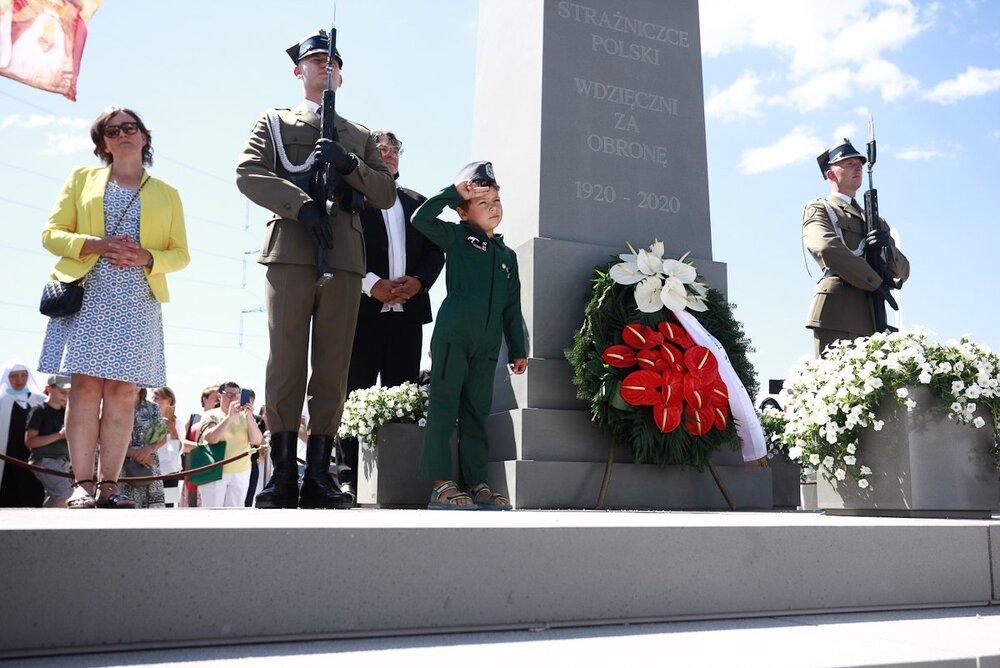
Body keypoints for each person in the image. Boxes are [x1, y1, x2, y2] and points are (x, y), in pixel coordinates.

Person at [235, 29, 396, 509]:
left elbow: (385, 193)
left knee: (332, 366)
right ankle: (284, 473)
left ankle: (320, 474)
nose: (326, 66)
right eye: (317, 59)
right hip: (290, 248)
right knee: (286, 361)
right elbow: (248, 172)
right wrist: (301, 206)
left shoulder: (360, 135)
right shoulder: (274, 121)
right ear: (298, 70)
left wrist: (349, 164)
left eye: (333, 62)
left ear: (341, 77)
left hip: (343, 256)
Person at [37, 106, 189, 508]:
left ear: (144, 136)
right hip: (88, 292)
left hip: (138, 299)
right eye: (112, 130)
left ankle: (110, 487)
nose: (122, 134)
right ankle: (83, 485)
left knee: (123, 391)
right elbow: (51, 234)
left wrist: (146, 257)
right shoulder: (81, 179)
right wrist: (96, 244)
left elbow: (181, 255)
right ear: (102, 142)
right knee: (85, 387)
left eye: (130, 127)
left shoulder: (167, 193)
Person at [410, 162, 528, 510]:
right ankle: (440, 483)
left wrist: (517, 349)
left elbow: (512, 307)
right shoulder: (458, 238)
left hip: (487, 345)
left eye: (496, 200)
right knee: (444, 406)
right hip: (454, 336)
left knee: (477, 411)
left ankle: (477, 482)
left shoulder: (507, 256)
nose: (493, 207)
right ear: (462, 212)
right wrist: (453, 194)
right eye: (482, 202)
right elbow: (421, 219)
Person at [339, 130, 445, 499]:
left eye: (394, 149)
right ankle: (349, 478)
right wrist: (372, 285)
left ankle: (399, 477)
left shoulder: (417, 203)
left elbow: (435, 251)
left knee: (405, 397)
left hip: (407, 318)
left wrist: (419, 282)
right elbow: (341, 250)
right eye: (381, 149)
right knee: (354, 394)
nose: (389, 154)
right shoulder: (350, 199)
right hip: (362, 315)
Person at [803, 138, 909, 356]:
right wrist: (875, 282)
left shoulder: (875, 220)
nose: (858, 168)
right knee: (835, 376)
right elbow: (826, 247)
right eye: (849, 163)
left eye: (859, 163)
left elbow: (903, 271)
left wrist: (886, 248)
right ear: (830, 174)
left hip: (874, 315)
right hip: (838, 312)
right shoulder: (821, 208)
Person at [198, 382, 264, 508]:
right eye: (229, 395)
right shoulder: (210, 415)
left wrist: (249, 417)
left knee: (235, 514)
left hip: (241, 471)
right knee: (213, 512)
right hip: (214, 471)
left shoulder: (246, 416)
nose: (233, 398)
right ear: (219, 397)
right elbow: (212, 438)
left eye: (236, 395)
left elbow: (256, 440)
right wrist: (229, 418)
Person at [0, 361, 45, 507]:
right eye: (14, 376)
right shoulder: (1, 401)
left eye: (23, 375)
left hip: (34, 455)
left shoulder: (40, 400)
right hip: (7, 454)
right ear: (7, 378)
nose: (19, 380)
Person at [25, 374, 73, 507]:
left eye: (69, 392)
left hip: (64, 462)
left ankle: (45, 519)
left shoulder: (66, 412)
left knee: (53, 497)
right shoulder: (39, 411)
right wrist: (59, 435)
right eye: (62, 391)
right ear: (49, 389)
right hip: (44, 460)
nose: (66, 396)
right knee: (65, 493)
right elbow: (30, 442)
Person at [120, 388, 166, 508]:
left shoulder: (153, 407)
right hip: (121, 467)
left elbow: (163, 436)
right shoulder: (113, 405)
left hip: (149, 466)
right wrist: (134, 454)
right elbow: (103, 439)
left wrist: (149, 449)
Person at [180, 384, 220, 508]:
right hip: (192, 469)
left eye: (220, 398)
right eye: (215, 398)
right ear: (204, 398)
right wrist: (202, 448)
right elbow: (180, 443)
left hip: (213, 472)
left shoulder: (222, 421)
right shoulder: (193, 418)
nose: (218, 401)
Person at [152, 386, 183, 506]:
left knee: (169, 505)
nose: (153, 401)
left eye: (157, 398)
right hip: (150, 471)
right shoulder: (149, 421)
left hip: (171, 472)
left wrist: (172, 430)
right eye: (153, 398)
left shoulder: (178, 424)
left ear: (169, 400)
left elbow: (174, 452)